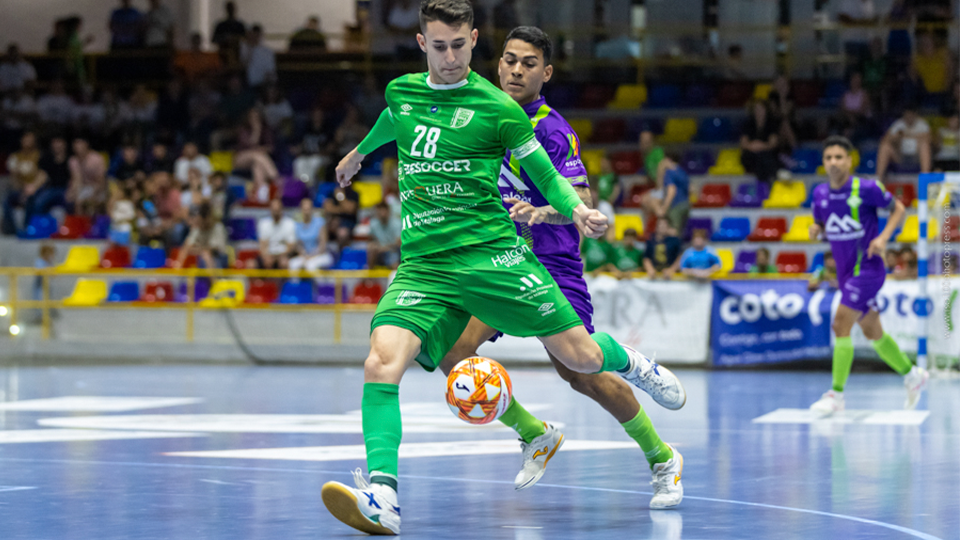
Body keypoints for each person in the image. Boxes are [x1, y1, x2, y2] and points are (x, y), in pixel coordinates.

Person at [320, 5, 685, 534]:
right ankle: (394, 490)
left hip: (535, 258)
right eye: (509, 60)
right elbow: (395, 120)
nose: (515, 70)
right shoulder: (407, 94)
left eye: (527, 63)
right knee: (423, 356)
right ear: (424, 43)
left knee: (581, 365)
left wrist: (565, 211)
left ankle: (655, 440)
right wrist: (357, 154)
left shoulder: (529, 123)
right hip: (437, 263)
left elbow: (568, 188)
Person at [808, 135, 927, 417]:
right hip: (846, 273)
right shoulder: (820, 195)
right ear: (824, 163)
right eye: (828, 158)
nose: (834, 162)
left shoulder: (867, 188)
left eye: (839, 157)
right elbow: (822, 225)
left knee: (840, 325)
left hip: (869, 269)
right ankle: (912, 375)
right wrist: (816, 230)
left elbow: (898, 207)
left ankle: (836, 395)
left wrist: (884, 237)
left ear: (850, 160)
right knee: (872, 330)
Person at [235, 108, 279, 204]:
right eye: (252, 117)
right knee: (257, 155)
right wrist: (256, 130)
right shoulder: (243, 129)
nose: (254, 119)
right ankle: (274, 177)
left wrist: (261, 149)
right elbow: (250, 145)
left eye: (257, 117)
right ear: (248, 118)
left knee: (257, 165)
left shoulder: (266, 129)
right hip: (241, 159)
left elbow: (271, 148)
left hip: (258, 159)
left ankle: (262, 193)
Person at [876, 105, 932, 179]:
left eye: (911, 114)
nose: (909, 116)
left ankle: (925, 179)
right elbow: (884, 139)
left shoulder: (922, 125)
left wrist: (908, 135)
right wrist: (895, 138)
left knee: (924, 146)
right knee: (885, 147)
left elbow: (930, 139)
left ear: (915, 114)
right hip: (900, 156)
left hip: (916, 157)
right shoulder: (898, 124)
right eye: (907, 114)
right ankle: (878, 179)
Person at [176, 201, 228, 269]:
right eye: (202, 220)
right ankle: (178, 274)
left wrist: (196, 249)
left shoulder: (218, 228)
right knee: (188, 253)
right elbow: (187, 246)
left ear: (210, 217)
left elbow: (212, 249)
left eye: (205, 220)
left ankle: (214, 279)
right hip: (201, 258)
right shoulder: (197, 228)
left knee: (206, 255)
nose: (203, 223)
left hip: (219, 258)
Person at [288, 197, 333, 274]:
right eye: (304, 209)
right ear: (301, 210)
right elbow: (298, 245)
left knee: (310, 266)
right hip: (305, 256)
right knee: (292, 264)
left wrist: (311, 256)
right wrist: (304, 255)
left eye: (308, 209)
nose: (306, 212)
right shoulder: (297, 225)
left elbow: (322, 245)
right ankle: (296, 285)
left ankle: (318, 285)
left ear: (312, 209)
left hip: (320, 255)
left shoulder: (320, 222)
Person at [740, 99, 779, 183]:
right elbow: (743, 143)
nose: (759, 111)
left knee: (764, 159)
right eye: (756, 109)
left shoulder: (771, 124)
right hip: (751, 155)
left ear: (766, 110)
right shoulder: (748, 123)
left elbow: (773, 143)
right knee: (759, 159)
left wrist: (760, 146)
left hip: (766, 154)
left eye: (761, 109)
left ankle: (763, 183)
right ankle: (767, 183)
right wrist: (753, 147)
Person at [66, 136, 107, 216]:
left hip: (98, 187)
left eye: (80, 143)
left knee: (94, 202)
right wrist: (73, 192)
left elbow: (101, 181)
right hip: (83, 187)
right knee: (76, 200)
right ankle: (81, 224)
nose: (77, 146)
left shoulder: (97, 158)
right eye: (75, 143)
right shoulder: (73, 160)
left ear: (86, 144)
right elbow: (77, 180)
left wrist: (94, 194)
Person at [255, 197, 296, 269]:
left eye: (277, 210)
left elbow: (290, 246)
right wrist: (266, 256)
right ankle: (267, 280)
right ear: (270, 210)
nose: (275, 212)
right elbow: (263, 245)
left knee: (284, 263)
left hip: (284, 254)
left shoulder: (290, 223)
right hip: (269, 254)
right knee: (264, 262)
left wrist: (279, 256)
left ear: (281, 210)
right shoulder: (263, 223)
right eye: (274, 210)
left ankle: (284, 280)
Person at [322, 184, 359, 250]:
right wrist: (343, 209)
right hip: (333, 221)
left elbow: (350, 209)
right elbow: (327, 209)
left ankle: (342, 254)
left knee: (342, 233)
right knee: (321, 228)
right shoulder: (332, 193)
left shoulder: (354, 194)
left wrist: (340, 197)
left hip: (348, 221)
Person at [241, 24, 276, 89]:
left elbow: (271, 70)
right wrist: (251, 48)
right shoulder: (245, 48)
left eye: (257, 35)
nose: (255, 37)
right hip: (250, 83)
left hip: (265, 84)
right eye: (254, 34)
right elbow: (244, 64)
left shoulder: (268, 51)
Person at [367, 201, 401, 269]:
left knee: (395, 256)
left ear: (388, 211)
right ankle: (370, 273)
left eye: (383, 210)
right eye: (379, 211)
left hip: (393, 250)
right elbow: (371, 240)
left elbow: (399, 243)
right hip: (379, 252)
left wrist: (384, 247)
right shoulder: (373, 224)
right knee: (371, 247)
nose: (382, 213)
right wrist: (376, 247)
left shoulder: (397, 223)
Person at [212, 1, 246, 65]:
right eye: (229, 9)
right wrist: (224, 38)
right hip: (223, 55)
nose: (231, 11)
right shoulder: (220, 25)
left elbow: (245, 39)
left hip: (237, 56)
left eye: (232, 9)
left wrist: (235, 39)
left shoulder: (240, 25)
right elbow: (214, 39)